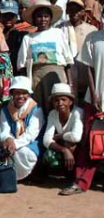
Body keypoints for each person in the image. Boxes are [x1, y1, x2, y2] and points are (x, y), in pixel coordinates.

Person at [61, 19, 104, 195]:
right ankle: (81, 181)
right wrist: (94, 93)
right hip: (96, 99)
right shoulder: (93, 38)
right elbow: (88, 69)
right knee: (89, 141)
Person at [17, 0, 75, 112]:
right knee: (39, 108)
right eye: (39, 16)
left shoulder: (58, 33)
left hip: (56, 74)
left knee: (58, 106)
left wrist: (70, 83)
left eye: (46, 16)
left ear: (50, 18)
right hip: (36, 77)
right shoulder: (28, 38)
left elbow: (68, 61)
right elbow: (22, 65)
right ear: (34, 19)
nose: (43, 19)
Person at [0, 75, 44, 181]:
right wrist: (8, 139)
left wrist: (15, 144)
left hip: (30, 143)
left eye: (24, 93)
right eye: (17, 93)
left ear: (28, 94)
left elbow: (31, 134)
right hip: (11, 141)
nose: (20, 96)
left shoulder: (36, 109)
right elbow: (4, 129)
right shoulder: (6, 109)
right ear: (12, 94)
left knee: (22, 153)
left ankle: (17, 176)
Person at [42, 83, 84, 175]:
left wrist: (60, 136)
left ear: (70, 102)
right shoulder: (53, 114)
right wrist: (64, 150)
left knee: (71, 144)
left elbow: (76, 137)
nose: (60, 103)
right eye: (56, 100)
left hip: (79, 147)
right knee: (49, 154)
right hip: (64, 146)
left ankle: (74, 172)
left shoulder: (77, 113)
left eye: (63, 100)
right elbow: (46, 140)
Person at [67, 0, 96, 99]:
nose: (74, 12)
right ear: (67, 11)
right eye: (71, 9)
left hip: (86, 82)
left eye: (77, 10)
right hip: (67, 82)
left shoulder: (92, 31)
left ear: (83, 12)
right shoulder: (60, 29)